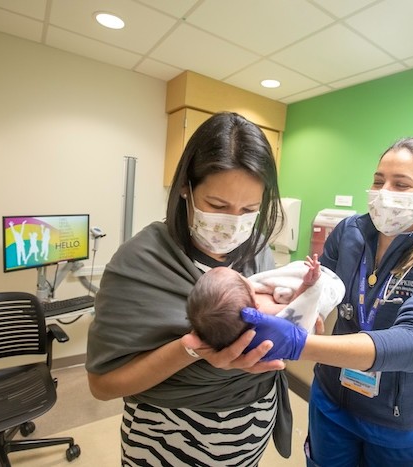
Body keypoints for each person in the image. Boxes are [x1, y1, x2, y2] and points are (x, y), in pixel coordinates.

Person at [232, 137, 413, 467]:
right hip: (331, 396)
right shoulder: (350, 232)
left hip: (393, 417)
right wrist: (279, 298)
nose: (383, 191)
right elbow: (321, 288)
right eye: (378, 181)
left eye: (400, 184)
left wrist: (300, 345)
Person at [86, 111, 293, 466]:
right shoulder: (139, 261)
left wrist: (294, 323)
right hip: (170, 434)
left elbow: (268, 318)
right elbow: (103, 385)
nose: (234, 224)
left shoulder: (257, 249)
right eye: (217, 205)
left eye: (250, 209)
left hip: (251, 426)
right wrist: (191, 350)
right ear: (186, 187)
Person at [186, 255, 323, 351]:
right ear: (254, 305)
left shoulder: (232, 305)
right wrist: (307, 284)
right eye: (241, 278)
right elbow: (295, 307)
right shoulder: (265, 310)